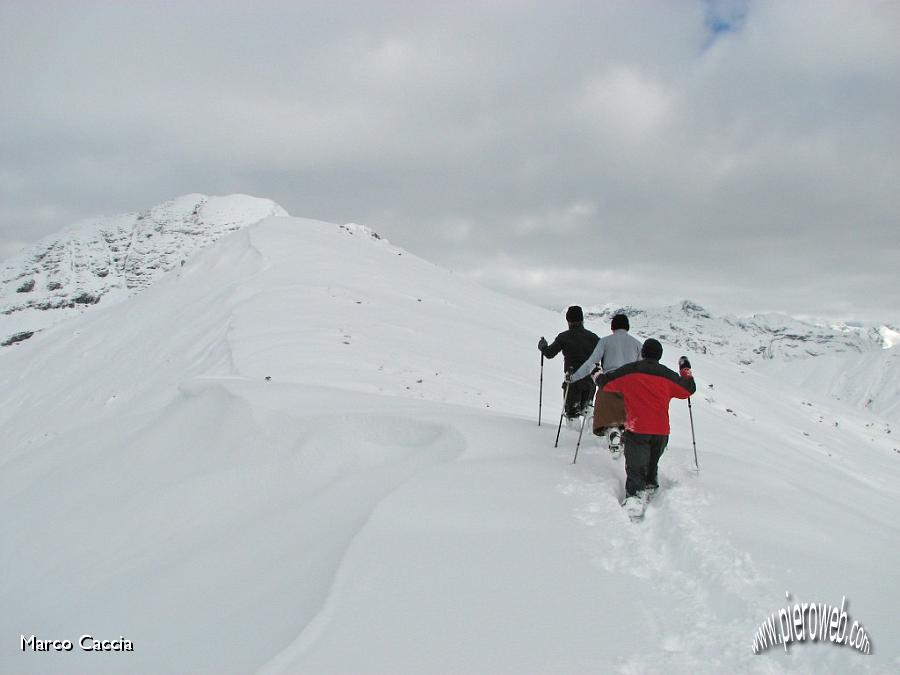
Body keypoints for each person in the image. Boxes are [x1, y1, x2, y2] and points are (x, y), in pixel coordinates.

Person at [593, 339, 695, 517]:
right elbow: (689, 389)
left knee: (636, 466)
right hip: (661, 432)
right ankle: (650, 486)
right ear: (659, 356)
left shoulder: (630, 371)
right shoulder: (667, 375)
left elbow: (606, 384)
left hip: (637, 428)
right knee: (651, 462)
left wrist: (596, 373)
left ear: (643, 353)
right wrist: (685, 368)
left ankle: (635, 498)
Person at [567, 313, 642, 453]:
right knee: (626, 418)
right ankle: (624, 440)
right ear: (628, 327)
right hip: (630, 386)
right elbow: (643, 369)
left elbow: (591, 362)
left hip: (608, 383)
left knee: (608, 418)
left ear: (612, 327)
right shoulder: (637, 344)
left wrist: (574, 377)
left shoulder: (605, 341)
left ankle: (612, 433)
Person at [538, 306, 600, 420]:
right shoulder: (594, 338)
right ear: (582, 320)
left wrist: (543, 346)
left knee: (572, 415)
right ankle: (588, 436)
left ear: (568, 320)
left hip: (572, 382)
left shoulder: (564, 337)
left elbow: (549, 354)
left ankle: (571, 435)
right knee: (588, 413)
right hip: (590, 382)